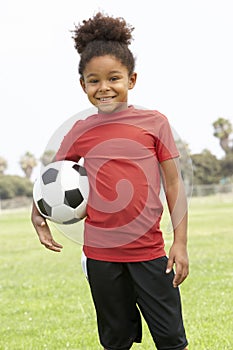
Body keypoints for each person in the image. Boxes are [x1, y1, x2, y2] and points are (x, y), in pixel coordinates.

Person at [31, 12, 189, 350]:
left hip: (149, 252)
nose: (104, 88)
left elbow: (174, 184)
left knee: (171, 339)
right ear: (83, 85)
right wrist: (37, 213)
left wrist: (180, 243)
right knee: (115, 340)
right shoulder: (80, 130)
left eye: (113, 78)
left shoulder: (154, 123)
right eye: (94, 80)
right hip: (101, 256)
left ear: (131, 80)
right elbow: (53, 180)